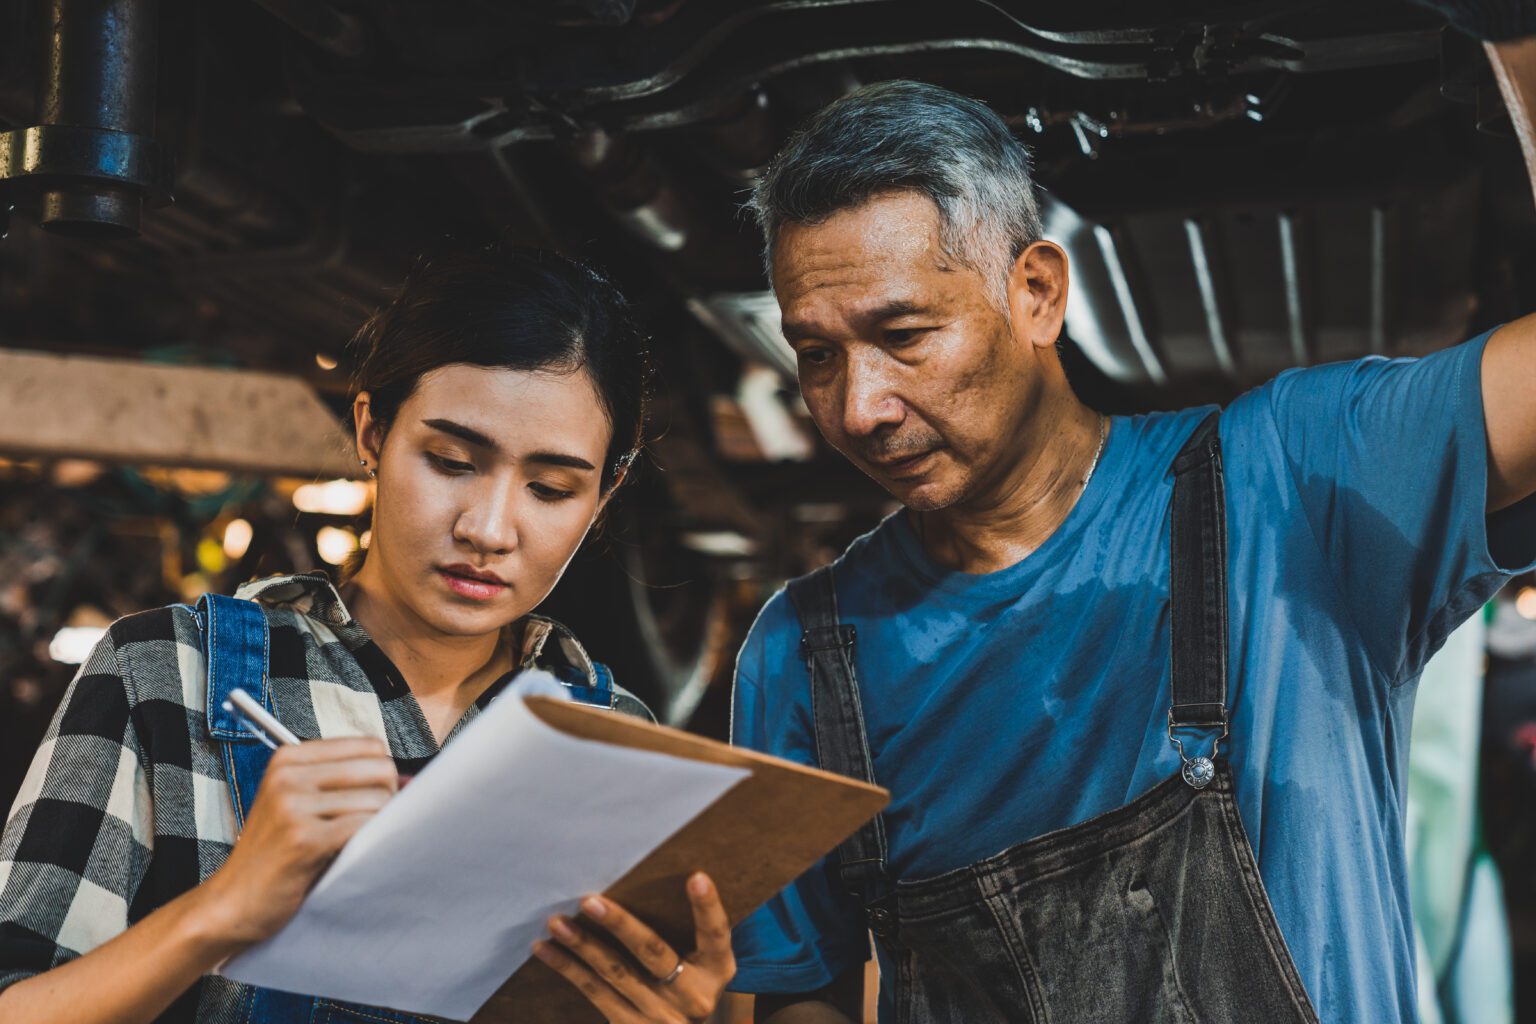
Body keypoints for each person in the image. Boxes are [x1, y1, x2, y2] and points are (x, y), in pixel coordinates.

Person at [727, 81, 1536, 1023]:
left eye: (903, 335)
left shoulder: (1295, 481)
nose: (859, 407)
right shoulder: (805, 657)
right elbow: (800, 995)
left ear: (1035, 293)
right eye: (817, 355)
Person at [0, 248, 737, 1023]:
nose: (488, 529)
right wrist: (219, 913)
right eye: (451, 461)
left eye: (551, 489)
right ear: (372, 430)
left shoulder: (615, 741)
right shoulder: (165, 673)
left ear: (606, 491)